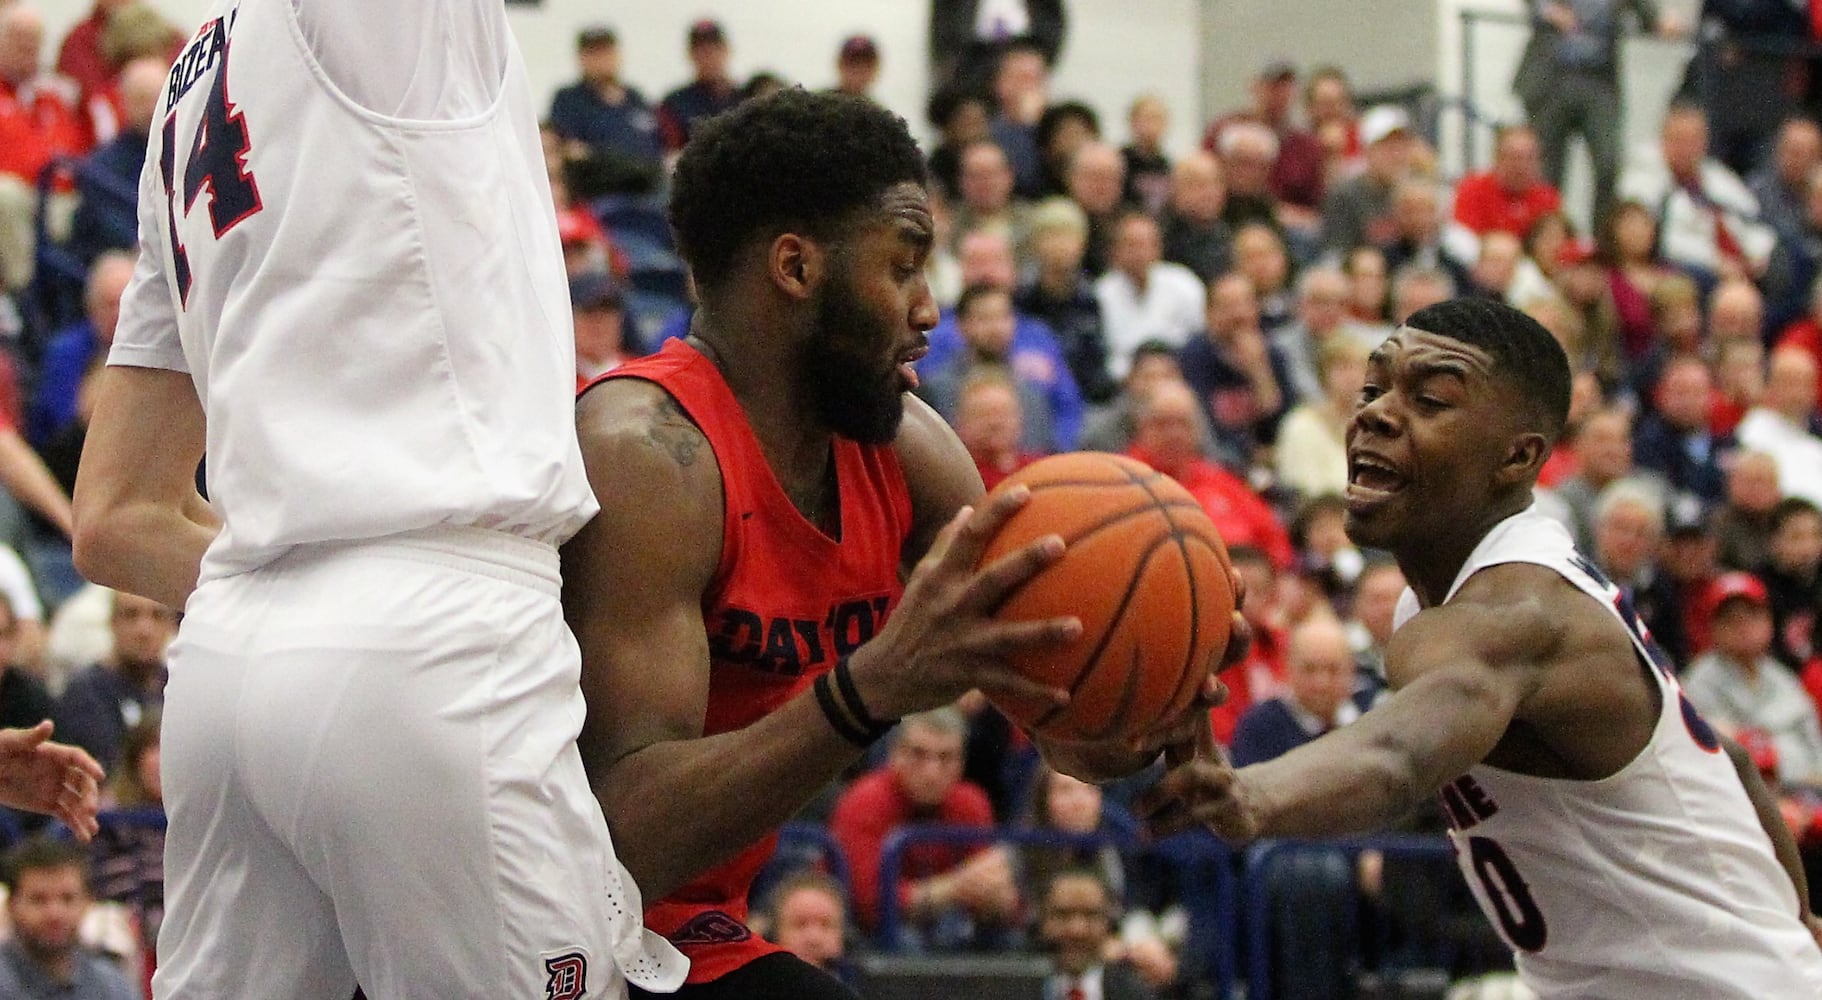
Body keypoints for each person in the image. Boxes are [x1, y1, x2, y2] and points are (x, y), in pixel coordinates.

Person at [562, 89, 1241, 1000]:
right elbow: (622, 840)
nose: (931, 309)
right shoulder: (645, 454)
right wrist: (868, 690)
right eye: (904, 266)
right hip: (545, 921)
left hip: (690, 929)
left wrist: (1141, 707)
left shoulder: (906, 450)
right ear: (796, 268)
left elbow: (1057, 724)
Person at [69, 2, 684, 997]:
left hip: (231, 658)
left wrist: (316, 602)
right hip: (432, 625)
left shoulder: (188, 86)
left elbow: (111, 519)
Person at [1143, 297, 1822, 994]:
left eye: (1432, 399)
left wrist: (1252, 795)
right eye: (1373, 388)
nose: (1375, 413)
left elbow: (1397, 756)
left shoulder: (1520, 608)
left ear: (1517, 456)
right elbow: (1730, 762)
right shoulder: (1443, 603)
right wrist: (1798, 919)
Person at [0, 838, 136, 1000]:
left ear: (87, 903)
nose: (55, 914)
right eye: (38, 899)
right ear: (11, 905)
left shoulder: (112, 984)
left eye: (68, 898)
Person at [1035, 869, 1158, 1000]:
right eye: (1063, 914)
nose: (1077, 931)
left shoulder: (1136, 992)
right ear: (1043, 920)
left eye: (1091, 915)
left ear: (1108, 923)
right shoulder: (1016, 985)